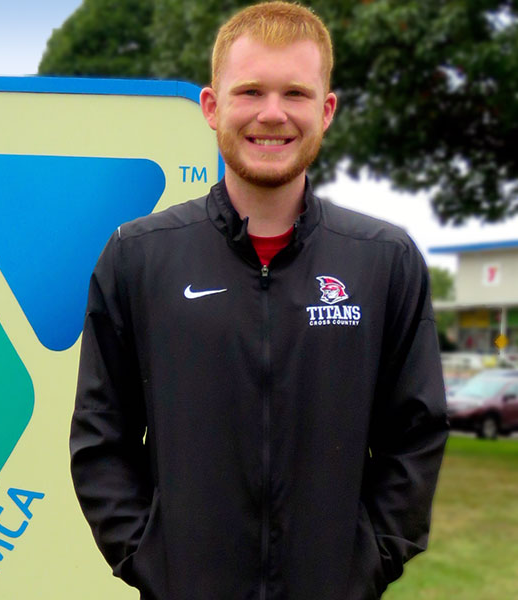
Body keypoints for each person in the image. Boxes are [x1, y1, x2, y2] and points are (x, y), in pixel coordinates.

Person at [69, 2, 449, 599]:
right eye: (250, 91)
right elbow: (101, 437)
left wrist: (367, 560)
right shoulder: (137, 256)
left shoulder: (385, 261)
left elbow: (416, 434)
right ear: (212, 106)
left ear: (326, 111)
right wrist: (150, 559)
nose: (272, 114)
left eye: (295, 93)